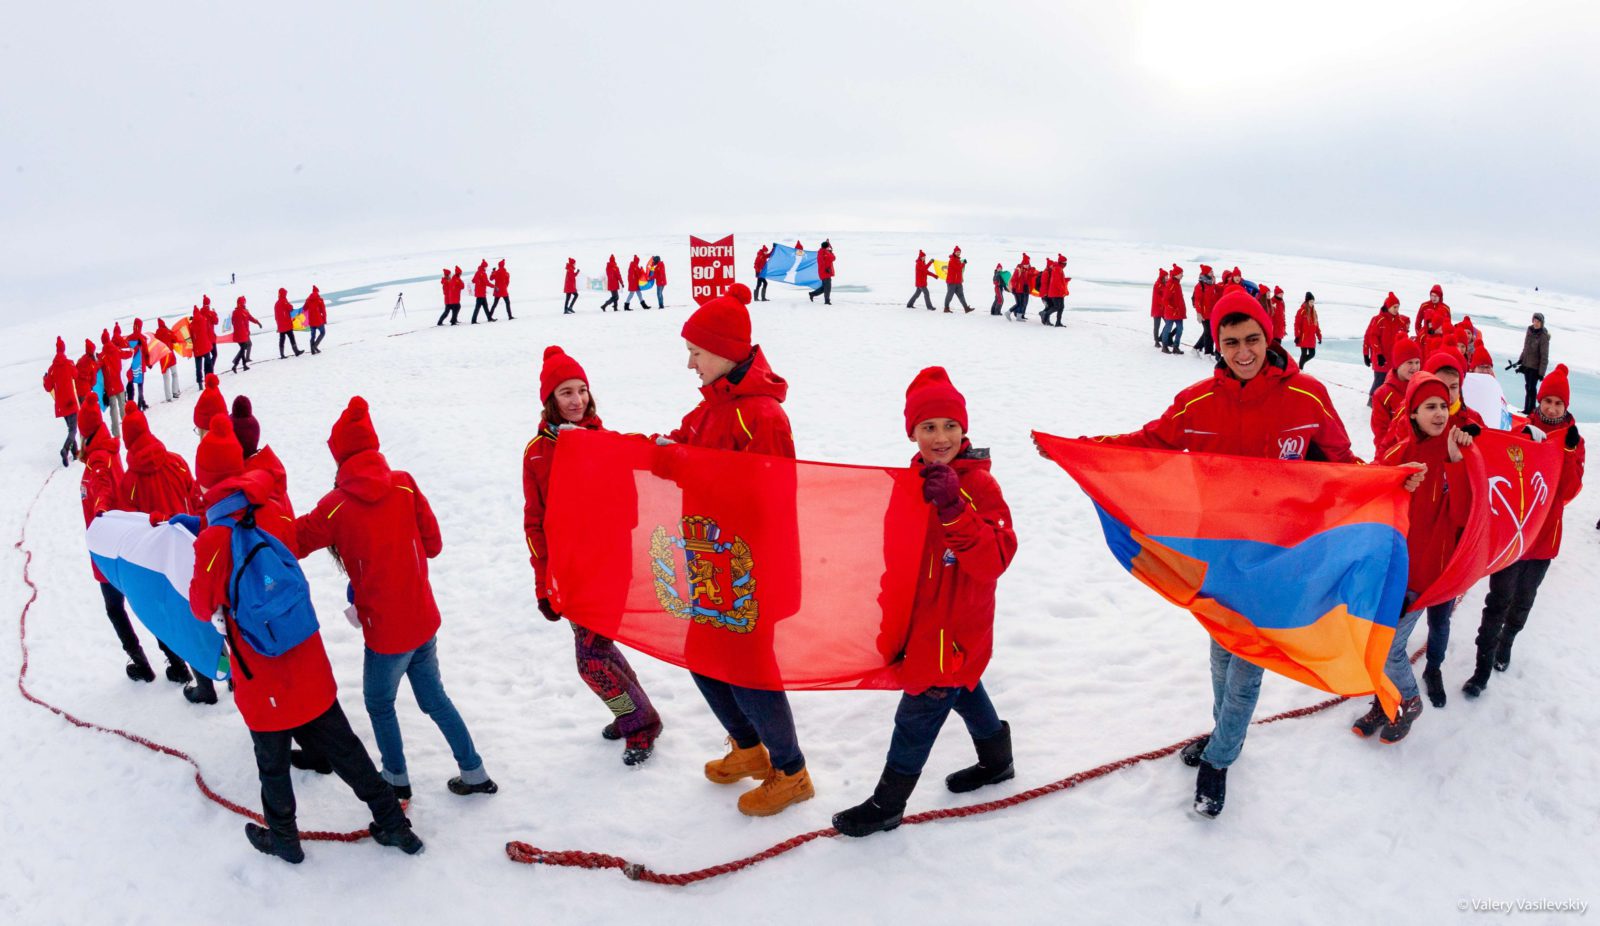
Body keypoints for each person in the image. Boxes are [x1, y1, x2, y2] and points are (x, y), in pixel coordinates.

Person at [1089, 289, 1404, 818]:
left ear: (1269, 337)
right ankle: (1222, 737)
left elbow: (1341, 462)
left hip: (1282, 558)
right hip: (1216, 555)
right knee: (1221, 651)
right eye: (1231, 341)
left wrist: (1388, 480)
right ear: (1218, 343)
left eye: (1252, 339)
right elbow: (1151, 444)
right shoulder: (1197, 402)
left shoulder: (1307, 398)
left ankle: (1221, 758)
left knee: (1247, 665)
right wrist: (1090, 449)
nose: (1242, 352)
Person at [187, 416, 423, 863]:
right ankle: (393, 823)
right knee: (345, 747)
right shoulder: (274, 510)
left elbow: (201, 606)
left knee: (271, 762)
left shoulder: (212, 539)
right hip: (305, 656)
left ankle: (285, 840)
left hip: (260, 671)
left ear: (205, 481)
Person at [832, 367, 1018, 837]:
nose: (941, 437)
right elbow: (895, 563)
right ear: (911, 432)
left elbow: (994, 560)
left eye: (951, 426)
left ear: (965, 428)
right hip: (923, 627)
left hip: (956, 629)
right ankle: (997, 759)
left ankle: (887, 804)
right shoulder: (907, 486)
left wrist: (955, 510)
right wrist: (890, 623)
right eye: (929, 427)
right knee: (963, 686)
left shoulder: (979, 487)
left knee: (917, 714)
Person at [292, 397, 497, 801]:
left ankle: (396, 779)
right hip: (423, 619)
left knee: (379, 703)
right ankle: (474, 771)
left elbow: (293, 541)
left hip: (386, 633)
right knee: (435, 699)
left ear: (339, 457)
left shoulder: (335, 507)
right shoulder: (403, 483)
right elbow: (434, 545)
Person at [668, 283, 814, 815]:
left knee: (749, 672)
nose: (690, 363)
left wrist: (691, 468)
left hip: (753, 571)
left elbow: (769, 499)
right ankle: (751, 750)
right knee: (701, 658)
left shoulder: (763, 417)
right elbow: (679, 449)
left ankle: (792, 772)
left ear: (727, 351)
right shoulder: (711, 409)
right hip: (711, 562)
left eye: (697, 352)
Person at [522, 346, 664, 765]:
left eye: (582, 390)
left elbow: (632, 505)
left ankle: (639, 721)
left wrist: (589, 460)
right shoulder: (535, 452)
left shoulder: (603, 444)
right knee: (599, 651)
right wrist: (543, 582)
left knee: (591, 662)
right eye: (566, 392)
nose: (576, 400)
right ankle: (635, 712)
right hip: (570, 574)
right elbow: (535, 523)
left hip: (607, 568)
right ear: (550, 400)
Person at [1353, 373, 1475, 740]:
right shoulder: (1400, 451)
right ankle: (1384, 703)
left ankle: (1408, 701)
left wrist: (1455, 461)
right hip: (1390, 569)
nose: (1439, 414)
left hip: (1424, 574)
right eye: (1430, 407)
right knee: (1376, 642)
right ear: (1413, 412)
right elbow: (1371, 492)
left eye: (1443, 405)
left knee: (1391, 648)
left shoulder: (1458, 449)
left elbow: (1462, 517)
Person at [1465, 364, 1584, 698]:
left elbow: (1569, 491)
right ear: (1540, 402)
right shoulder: (1522, 429)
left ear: (1565, 407)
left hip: (1544, 540)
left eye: (1558, 404)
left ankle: (1508, 641)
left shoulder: (1573, 440)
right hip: (1514, 537)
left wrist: (1571, 454)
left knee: (1523, 600)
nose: (1551, 408)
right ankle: (1481, 668)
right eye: (1547, 401)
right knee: (1497, 600)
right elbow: (1497, 460)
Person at [77, 397, 189, 684]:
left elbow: (103, 488)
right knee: (144, 603)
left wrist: (101, 509)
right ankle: (176, 663)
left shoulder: (99, 461)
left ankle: (142, 661)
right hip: (121, 544)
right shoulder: (107, 454)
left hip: (110, 548)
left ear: (85, 432)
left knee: (118, 608)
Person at [117, 407, 205, 694]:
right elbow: (195, 498)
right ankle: (226, 671)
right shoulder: (177, 462)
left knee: (168, 616)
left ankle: (183, 669)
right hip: (192, 549)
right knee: (203, 611)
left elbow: (131, 530)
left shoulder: (129, 483)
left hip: (158, 564)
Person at [1368, 337, 1422, 444]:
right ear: (1398, 364)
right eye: (1409, 363)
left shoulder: (1422, 388)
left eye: (1417, 362)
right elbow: (1381, 434)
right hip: (1394, 451)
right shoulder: (1382, 395)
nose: (1415, 367)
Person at [1362, 292, 1410, 402]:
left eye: (1398, 307)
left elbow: (1403, 339)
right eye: (1394, 307)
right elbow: (1372, 338)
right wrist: (1375, 354)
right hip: (1381, 358)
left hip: (1394, 359)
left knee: (1392, 382)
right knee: (1380, 380)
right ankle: (1372, 400)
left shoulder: (1400, 322)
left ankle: (1388, 401)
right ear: (1388, 307)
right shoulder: (1379, 320)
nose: (1396, 309)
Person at [42, 337, 80, 467]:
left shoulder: (52, 368)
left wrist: (45, 379)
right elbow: (76, 375)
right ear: (64, 349)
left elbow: (48, 387)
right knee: (73, 429)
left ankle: (75, 452)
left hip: (61, 405)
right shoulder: (69, 363)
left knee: (71, 428)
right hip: (71, 401)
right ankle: (65, 449)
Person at [1513, 312, 1550, 415]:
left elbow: (1544, 356)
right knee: (1527, 387)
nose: (1536, 323)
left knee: (1532, 389)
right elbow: (1525, 348)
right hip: (1527, 365)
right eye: (1535, 320)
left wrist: (1541, 373)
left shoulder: (1543, 336)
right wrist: (1520, 360)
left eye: (1538, 321)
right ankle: (1526, 409)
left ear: (1542, 323)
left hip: (1535, 368)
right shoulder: (1529, 331)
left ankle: (1532, 411)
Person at [99, 329, 129, 438]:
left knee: (113, 409)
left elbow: (97, 366)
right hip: (119, 383)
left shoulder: (102, 356)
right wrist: (132, 351)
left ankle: (116, 433)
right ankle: (127, 427)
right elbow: (126, 354)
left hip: (110, 386)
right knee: (122, 406)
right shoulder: (116, 350)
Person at [1190, 266, 1220, 355]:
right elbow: (1197, 300)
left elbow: (1218, 290)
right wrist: (1199, 313)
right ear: (1206, 273)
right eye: (1211, 272)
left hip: (1212, 313)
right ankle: (1208, 353)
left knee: (1209, 332)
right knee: (1208, 333)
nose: (1212, 273)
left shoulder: (1212, 284)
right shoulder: (1200, 286)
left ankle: (1196, 348)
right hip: (1204, 314)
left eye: (1212, 271)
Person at [191, 297, 220, 386]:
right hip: (208, 341)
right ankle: (209, 374)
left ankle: (200, 381)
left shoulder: (192, 324)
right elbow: (216, 321)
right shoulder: (207, 316)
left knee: (198, 366)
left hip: (198, 347)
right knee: (213, 355)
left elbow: (190, 336)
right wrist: (215, 313)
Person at [230, 296, 263, 373]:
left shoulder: (234, 312)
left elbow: (232, 322)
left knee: (243, 349)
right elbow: (251, 318)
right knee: (243, 349)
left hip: (237, 335)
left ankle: (243, 365)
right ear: (243, 303)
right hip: (243, 334)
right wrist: (258, 323)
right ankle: (235, 365)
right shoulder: (245, 312)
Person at [153, 319, 182, 401]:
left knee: (166, 378)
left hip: (163, 358)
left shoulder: (156, 335)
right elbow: (175, 339)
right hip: (170, 356)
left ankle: (168, 397)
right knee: (174, 374)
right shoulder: (167, 331)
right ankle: (175, 392)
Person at [1159, 265, 1186, 354]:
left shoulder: (1177, 284)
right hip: (1172, 312)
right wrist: (1172, 308)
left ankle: (1175, 347)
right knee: (1168, 328)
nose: (1182, 275)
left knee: (1180, 328)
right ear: (1176, 274)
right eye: (1181, 273)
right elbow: (1165, 300)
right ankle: (1165, 346)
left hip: (1178, 312)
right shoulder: (1170, 284)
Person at [126, 319, 150, 411]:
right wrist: (148, 363)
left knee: (131, 385)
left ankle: (140, 402)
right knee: (140, 385)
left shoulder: (128, 338)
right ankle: (140, 405)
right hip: (140, 365)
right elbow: (146, 352)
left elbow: (127, 351)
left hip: (131, 366)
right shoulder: (142, 338)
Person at [1040, 253, 1070, 327]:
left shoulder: (1058, 268)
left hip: (1058, 292)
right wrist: (1063, 290)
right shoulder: (1057, 269)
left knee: (1061, 307)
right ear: (1062, 263)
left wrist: (1065, 280)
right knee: (1056, 307)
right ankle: (1045, 314)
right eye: (1065, 263)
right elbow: (1056, 282)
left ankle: (1058, 322)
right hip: (1056, 292)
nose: (1066, 265)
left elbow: (1059, 280)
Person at [1293, 292, 1322, 368]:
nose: (1312, 303)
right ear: (1307, 301)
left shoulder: (1314, 312)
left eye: (1313, 302)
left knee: (1312, 354)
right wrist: (1297, 336)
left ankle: (1300, 365)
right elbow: (1297, 324)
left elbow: (1317, 326)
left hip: (1311, 338)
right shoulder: (1301, 311)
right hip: (1303, 337)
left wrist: (1319, 336)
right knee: (1304, 354)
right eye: (1311, 302)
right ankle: (1300, 368)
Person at [273, 290, 303, 359]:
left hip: (280, 325)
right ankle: (296, 351)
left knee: (282, 340)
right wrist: (289, 303)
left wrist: (278, 325)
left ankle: (282, 354)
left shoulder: (276, 303)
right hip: (287, 324)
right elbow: (290, 308)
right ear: (284, 294)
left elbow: (276, 316)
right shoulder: (284, 301)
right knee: (291, 338)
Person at [193, 373, 226, 438]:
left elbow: (198, 411)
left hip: (204, 426)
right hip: (217, 427)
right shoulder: (218, 395)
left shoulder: (204, 395)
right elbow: (223, 411)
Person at [941, 246, 970, 313]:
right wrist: (963, 263)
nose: (958, 253)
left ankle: (966, 308)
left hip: (958, 282)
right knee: (949, 296)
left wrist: (961, 278)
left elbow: (959, 271)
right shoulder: (952, 260)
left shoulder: (957, 260)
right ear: (954, 252)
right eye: (957, 252)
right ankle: (946, 308)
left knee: (961, 295)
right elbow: (958, 268)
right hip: (951, 282)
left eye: (959, 252)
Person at [809, 239, 835, 305]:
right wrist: (830, 252)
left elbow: (830, 258)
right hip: (825, 272)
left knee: (824, 288)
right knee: (827, 288)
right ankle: (827, 301)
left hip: (824, 272)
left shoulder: (822, 251)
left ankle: (812, 294)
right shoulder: (824, 252)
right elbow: (833, 258)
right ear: (826, 247)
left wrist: (828, 246)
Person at [1010, 254, 1034, 321]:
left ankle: (1022, 315)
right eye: (1025, 264)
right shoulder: (1019, 270)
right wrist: (1014, 288)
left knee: (1025, 303)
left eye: (1028, 264)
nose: (1027, 265)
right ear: (1022, 263)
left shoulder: (1027, 270)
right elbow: (1013, 280)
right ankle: (1017, 314)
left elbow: (1030, 277)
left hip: (1025, 289)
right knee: (1021, 303)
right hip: (1019, 290)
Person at [304, 286, 327, 354]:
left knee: (313, 336)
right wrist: (324, 320)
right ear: (317, 292)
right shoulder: (320, 299)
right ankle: (315, 346)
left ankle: (312, 351)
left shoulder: (308, 300)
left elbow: (305, 309)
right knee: (322, 332)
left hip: (311, 320)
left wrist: (307, 302)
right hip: (318, 320)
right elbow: (323, 311)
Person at [1150, 268, 1169, 347]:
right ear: (1162, 277)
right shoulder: (1157, 285)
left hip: (1164, 309)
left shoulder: (1166, 284)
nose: (1167, 277)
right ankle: (1156, 341)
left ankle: (1161, 337)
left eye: (1167, 276)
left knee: (1168, 324)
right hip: (1157, 309)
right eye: (1166, 276)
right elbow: (1158, 298)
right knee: (1156, 326)